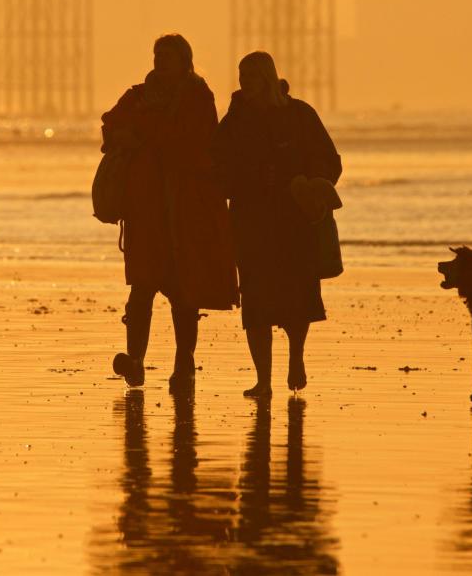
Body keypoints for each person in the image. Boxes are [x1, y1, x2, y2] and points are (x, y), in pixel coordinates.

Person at [100, 34, 238, 390]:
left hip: (185, 209)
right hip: (144, 211)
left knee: (183, 291)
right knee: (141, 288)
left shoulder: (197, 96)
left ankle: (184, 362)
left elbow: (195, 143)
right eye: (158, 55)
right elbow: (111, 125)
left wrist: (143, 131)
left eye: (169, 57)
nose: (161, 62)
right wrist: (125, 136)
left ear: (185, 61)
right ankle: (136, 362)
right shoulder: (139, 94)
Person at [212, 51, 342, 397]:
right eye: (241, 77)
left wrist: (313, 185)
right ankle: (264, 380)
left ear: (267, 78)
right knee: (255, 301)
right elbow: (218, 166)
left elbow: (331, 161)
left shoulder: (300, 115)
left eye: (251, 77)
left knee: (298, 298)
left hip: (295, 220)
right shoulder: (235, 120)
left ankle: (296, 359)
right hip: (250, 220)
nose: (244, 84)